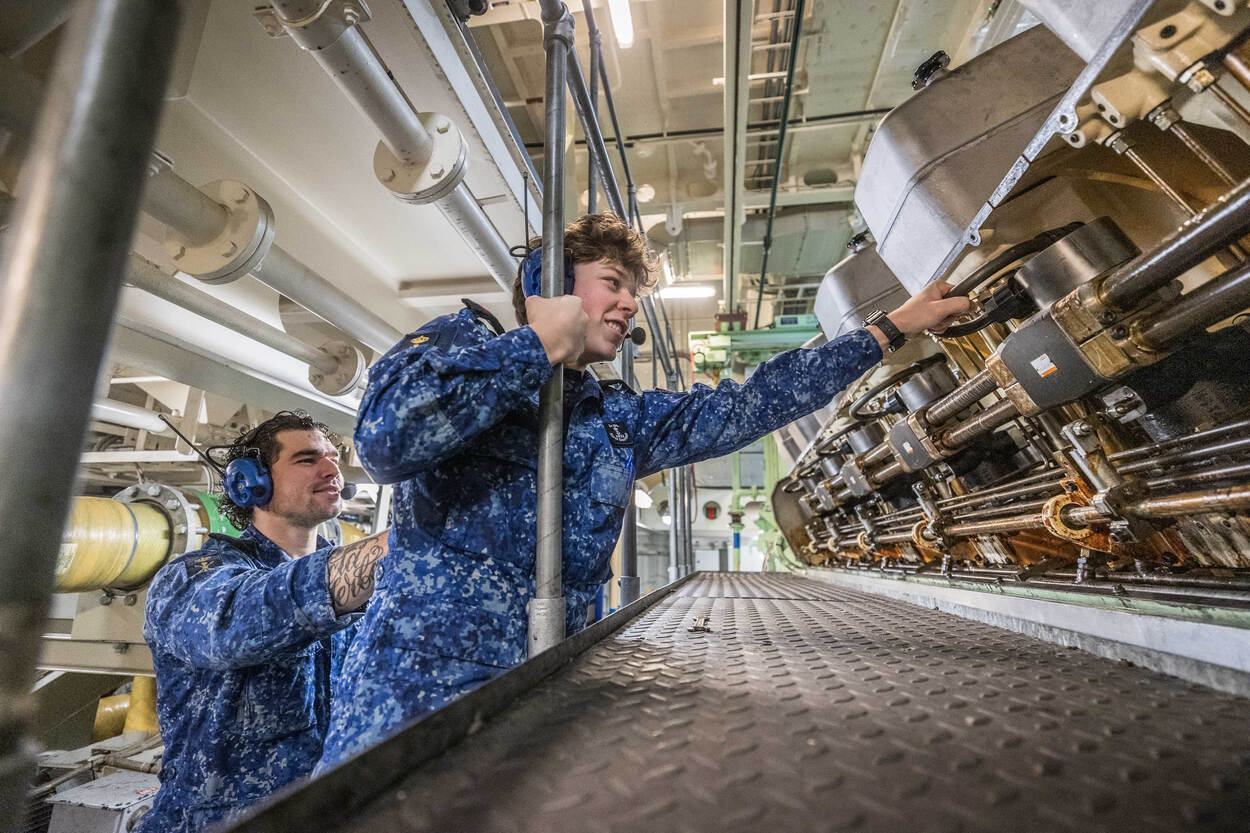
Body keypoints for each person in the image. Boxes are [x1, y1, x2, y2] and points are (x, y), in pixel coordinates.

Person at [318, 213, 969, 770]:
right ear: (551, 283)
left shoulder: (618, 421)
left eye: (632, 291)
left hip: (533, 716)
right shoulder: (462, 347)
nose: (629, 304)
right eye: (612, 284)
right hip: (406, 716)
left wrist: (889, 328)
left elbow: (752, 404)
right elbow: (386, 439)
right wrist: (536, 346)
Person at [139, 411, 389, 833]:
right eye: (307, 459)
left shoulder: (355, 588)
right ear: (250, 482)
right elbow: (233, 627)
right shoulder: (192, 577)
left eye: (332, 457)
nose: (332, 469)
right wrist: (408, 541)